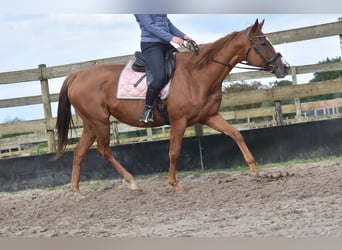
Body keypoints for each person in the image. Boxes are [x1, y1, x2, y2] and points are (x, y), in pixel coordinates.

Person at [134, 14, 192, 123]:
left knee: (182, 69)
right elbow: (150, 26)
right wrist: (171, 37)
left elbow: (167, 23)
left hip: (165, 44)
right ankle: (147, 110)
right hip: (151, 45)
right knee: (160, 77)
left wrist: (183, 35)